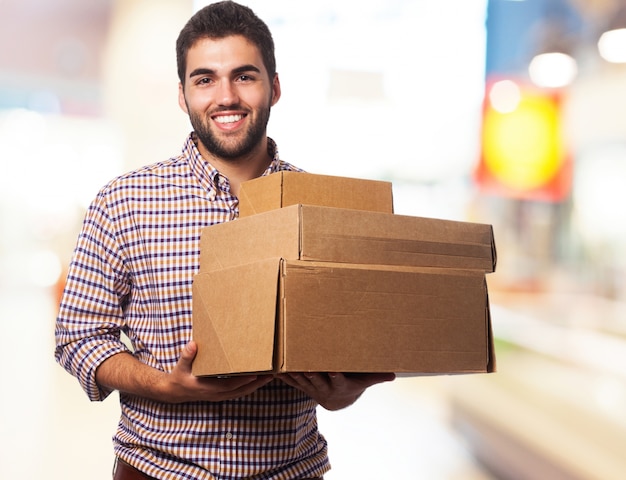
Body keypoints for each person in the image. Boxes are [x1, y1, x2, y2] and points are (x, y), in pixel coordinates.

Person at [54, 2, 395, 479]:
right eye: (205, 79)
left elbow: (352, 342)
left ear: (274, 87)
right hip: (157, 471)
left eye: (244, 76)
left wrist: (346, 391)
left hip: (291, 470)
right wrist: (160, 384)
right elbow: (78, 337)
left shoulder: (322, 209)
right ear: (182, 95)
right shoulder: (123, 201)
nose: (226, 96)